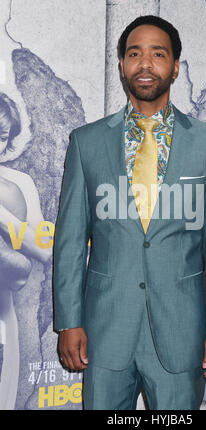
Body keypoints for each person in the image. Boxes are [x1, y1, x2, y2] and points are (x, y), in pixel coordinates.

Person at [53, 15, 206, 410]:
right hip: (105, 330)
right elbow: (69, 242)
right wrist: (68, 321)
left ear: (174, 66)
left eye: (158, 54)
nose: (145, 64)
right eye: (134, 54)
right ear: (121, 65)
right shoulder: (86, 143)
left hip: (181, 331)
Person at [0, 92, 52, 409]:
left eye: (0, 137)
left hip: (3, 319)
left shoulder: (18, 184)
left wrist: (3, 217)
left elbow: (44, 251)